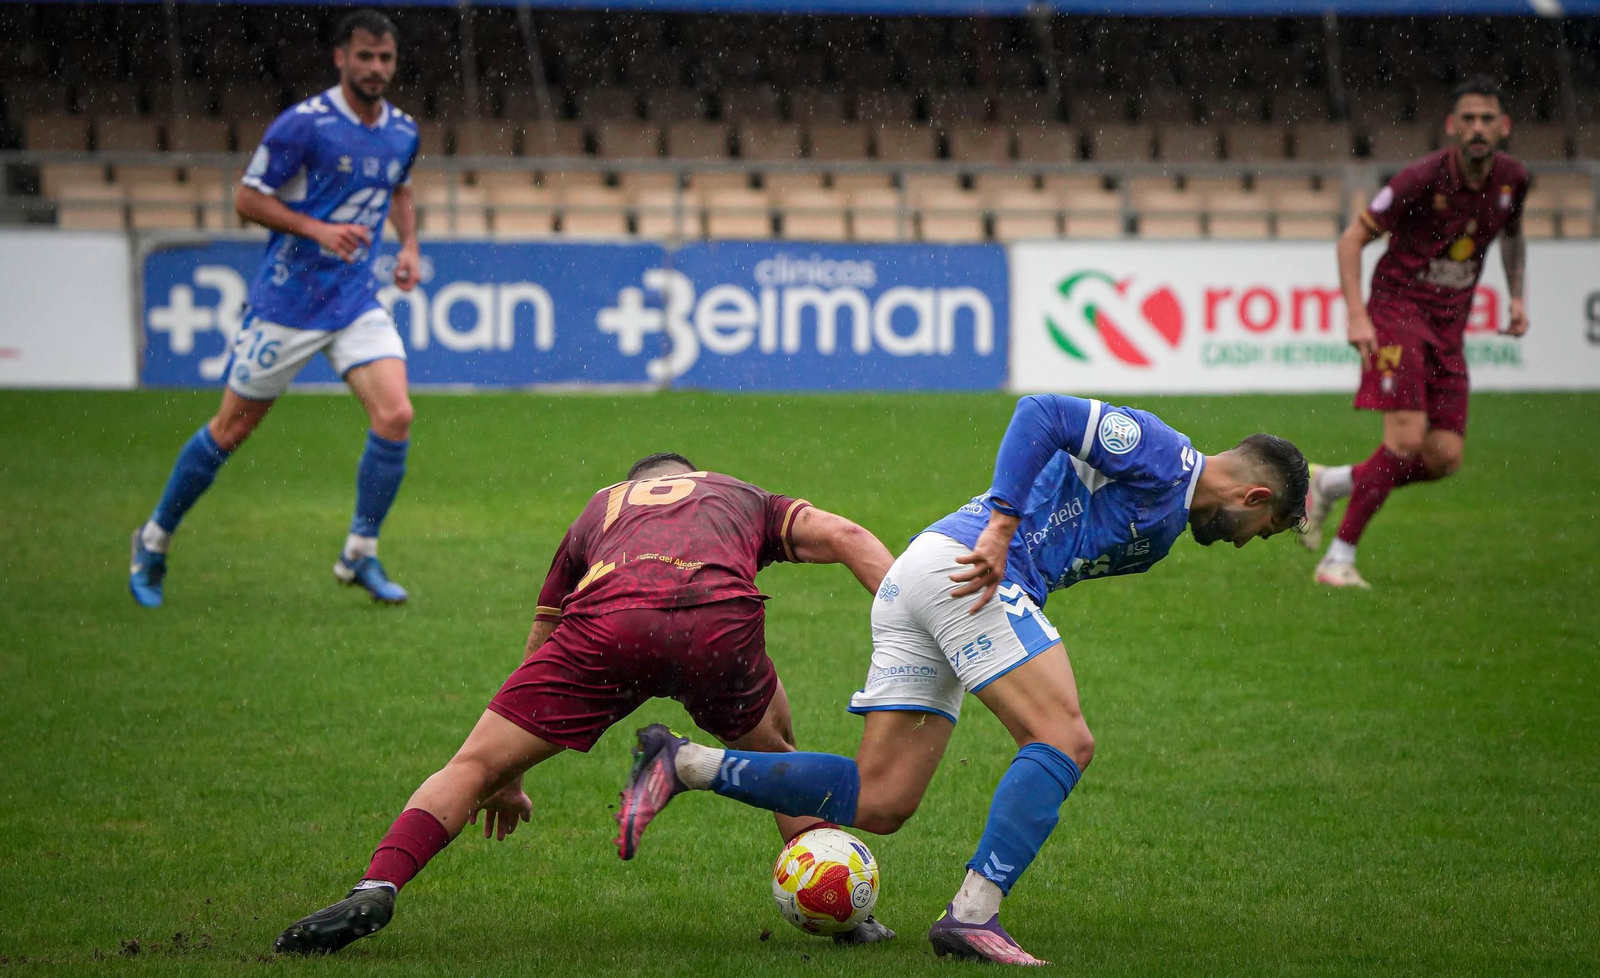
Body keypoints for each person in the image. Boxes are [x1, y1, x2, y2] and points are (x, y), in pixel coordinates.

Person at [616, 396, 1307, 966]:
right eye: (1264, 527)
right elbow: (1042, 413)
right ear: (1253, 495)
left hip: (928, 580)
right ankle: (974, 914)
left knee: (882, 800)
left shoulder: (1168, 524)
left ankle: (686, 763)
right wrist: (1004, 524)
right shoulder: (1164, 453)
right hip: (972, 571)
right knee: (1063, 739)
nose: (1248, 540)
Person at [273, 452, 897, 955]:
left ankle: (378, 884)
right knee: (770, 752)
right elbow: (844, 535)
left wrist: (507, 774)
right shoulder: (742, 494)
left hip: (611, 628)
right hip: (717, 626)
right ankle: (844, 913)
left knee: (471, 766)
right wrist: (907, 621)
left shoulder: (598, 510)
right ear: (691, 477)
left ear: (635, 487)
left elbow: (544, 636)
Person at [128, 9, 422, 608]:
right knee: (231, 430)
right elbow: (245, 198)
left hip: (354, 299)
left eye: (385, 58)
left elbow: (399, 185)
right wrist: (317, 228)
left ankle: (359, 553)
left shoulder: (402, 130)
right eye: (363, 56)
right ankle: (153, 540)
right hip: (287, 303)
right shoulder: (304, 125)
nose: (375, 68)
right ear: (340, 58)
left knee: (396, 415)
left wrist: (410, 245)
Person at [1298, 75, 1529, 589]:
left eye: (1486, 119)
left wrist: (1516, 295)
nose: (1476, 128)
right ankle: (1337, 560)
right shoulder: (1421, 178)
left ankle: (1331, 482)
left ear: (1503, 126)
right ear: (1452, 126)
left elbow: (1512, 234)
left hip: (1449, 325)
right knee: (1404, 439)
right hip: (1396, 313)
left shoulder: (1513, 179)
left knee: (1445, 455)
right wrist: (1358, 315)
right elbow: (1351, 240)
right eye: (1467, 118)